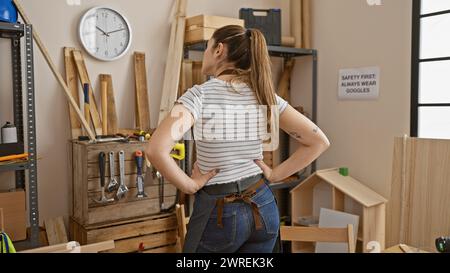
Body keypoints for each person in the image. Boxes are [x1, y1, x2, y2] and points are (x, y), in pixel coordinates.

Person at [145, 25, 330, 253]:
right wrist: (275, 175)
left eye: (207, 47)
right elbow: (318, 141)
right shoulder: (265, 95)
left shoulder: (199, 95)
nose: (205, 52)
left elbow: (156, 150)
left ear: (219, 50)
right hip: (263, 204)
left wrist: (191, 185)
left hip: (221, 212)